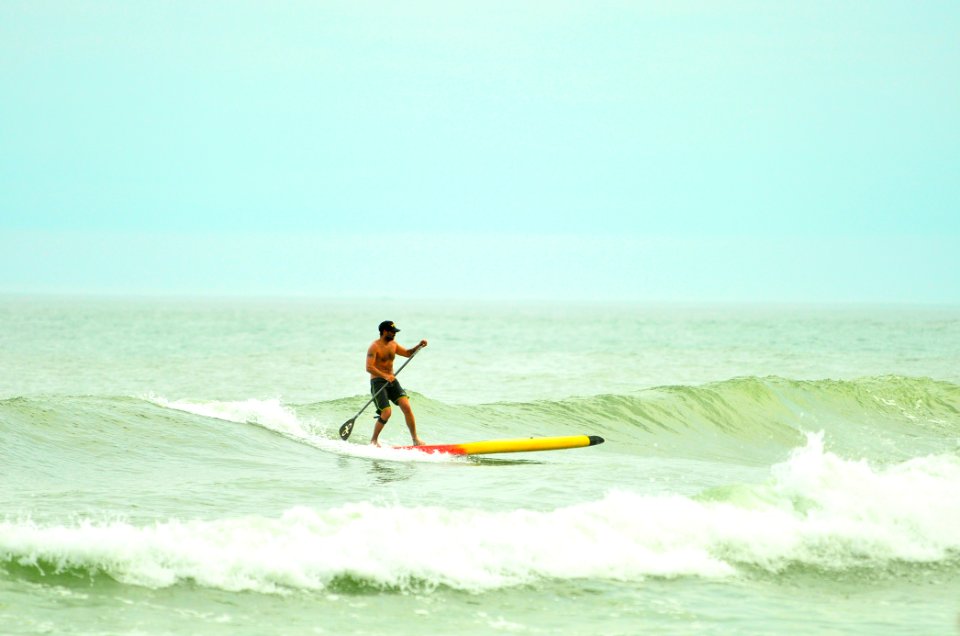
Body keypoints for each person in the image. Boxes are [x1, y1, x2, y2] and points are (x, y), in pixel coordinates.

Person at [367, 320, 428, 446]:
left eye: (395, 332)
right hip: (377, 381)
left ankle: (415, 439)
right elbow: (369, 367)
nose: (394, 334)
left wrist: (419, 346)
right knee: (387, 412)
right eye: (392, 332)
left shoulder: (393, 344)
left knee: (406, 406)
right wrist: (384, 375)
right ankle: (374, 440)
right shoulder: (374, 346)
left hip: (392, 380)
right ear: (384, 332)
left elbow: (407, 353)